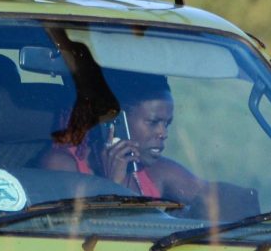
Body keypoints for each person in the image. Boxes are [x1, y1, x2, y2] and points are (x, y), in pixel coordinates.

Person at [37, 72, 207, 207]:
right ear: (114, 120)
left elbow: (214, 198)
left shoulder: (156, 170)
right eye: (153, 122)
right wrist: (114, 185)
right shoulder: (61, 165)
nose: (163, 133)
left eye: (167, 124)